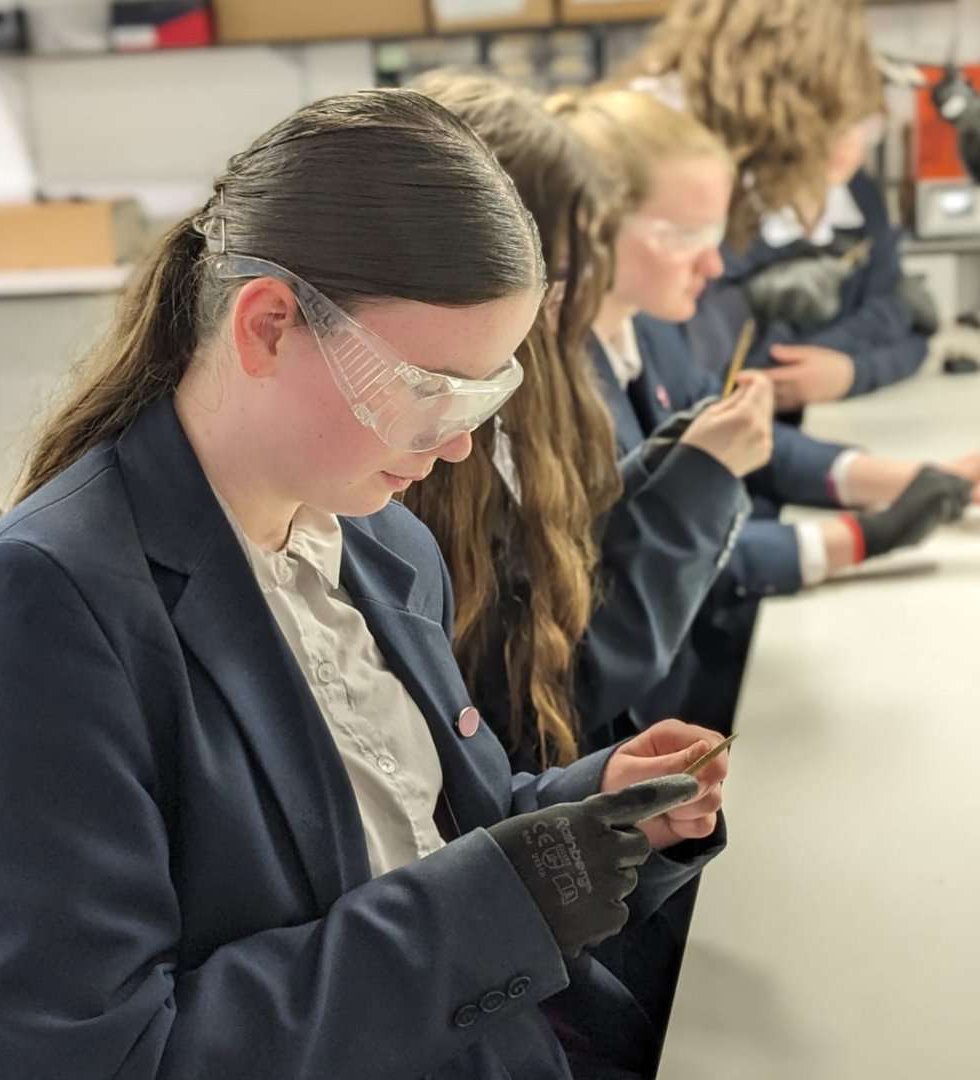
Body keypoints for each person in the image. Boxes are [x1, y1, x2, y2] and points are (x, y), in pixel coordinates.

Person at [0, 89, 729, 1080]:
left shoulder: (379, 541)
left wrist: (589, 812)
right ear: (266, 327)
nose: (460, 441)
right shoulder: (42, 611)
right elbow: (92, 1058)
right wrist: (506, 898)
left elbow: (414, 828)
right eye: (428, 388)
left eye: (487, 391)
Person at [553, 86, 977, 729]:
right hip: (642, 710)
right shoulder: (562, 393)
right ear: (592, 227)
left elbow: (742, 438)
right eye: (683, 234)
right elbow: (658, 557)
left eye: (716, 234)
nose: (715, 262)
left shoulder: (647, 325)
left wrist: (918, 482)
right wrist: (863, 535)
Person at [407, 69, 769, 769]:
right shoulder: (427, 447)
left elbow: (575, 568)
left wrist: (671, 466)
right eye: (558, 272)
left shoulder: (545, 376)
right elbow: (538, 695)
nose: (564, 304)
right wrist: (697, 486)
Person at [623, 0, 935, 411]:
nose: (847, 141)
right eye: (832, 120)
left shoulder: (843, 186)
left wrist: (849, 370)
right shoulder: (681, 187)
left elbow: (904, 311)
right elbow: (708, 384)